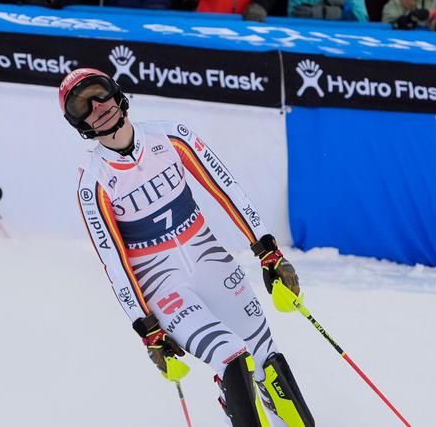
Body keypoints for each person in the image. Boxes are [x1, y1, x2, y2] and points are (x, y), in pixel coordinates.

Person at [60, 68, 314, 427]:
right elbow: (113, 262)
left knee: (265, 356)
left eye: (100, 93)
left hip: (211, 260)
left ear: (117, 94)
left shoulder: (171, 137)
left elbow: (226, 189)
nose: (98, 106)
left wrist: (268, 252)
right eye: (82, 106)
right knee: (232, 356)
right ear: (79, 124)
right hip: (162, 285)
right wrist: (146, 328)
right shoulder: (93, 182)